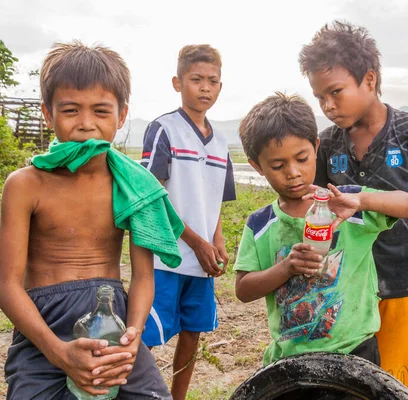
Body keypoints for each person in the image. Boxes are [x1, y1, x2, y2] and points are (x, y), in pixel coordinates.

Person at [0, 41, 184, 399]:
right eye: (70, 110)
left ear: (121, 115)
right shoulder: (25, 185)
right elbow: (7, 284)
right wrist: (57, 351)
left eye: (100, 111)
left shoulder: (133, 186)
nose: (86, 125)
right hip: (43, 328)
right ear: (48, 115)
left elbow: (143, 276)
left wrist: (132, 336)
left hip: (113, 322)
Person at [299, 21, 408, 400]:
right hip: (350, 288)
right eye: (320, 98)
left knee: (405, 380)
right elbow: (316, 204)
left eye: (335, 92)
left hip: (404, 282)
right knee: (355, 381)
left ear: (369, 79)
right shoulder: (329, 142)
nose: (328, 106)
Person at [234, 92, 408, 368]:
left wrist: (361, 200)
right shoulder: (261, 224)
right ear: (256, 166)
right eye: (278, 165)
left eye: (301, 158)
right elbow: (243, 290)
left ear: (316, 147)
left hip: (355, 352)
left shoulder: (347, 203)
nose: (293, 172)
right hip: (290, 359)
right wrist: (286, 267)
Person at [140, 44, 236, 400]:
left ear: (221, 87)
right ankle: (140, 392)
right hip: (166, 255)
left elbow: (214, 201)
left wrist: (217, 241)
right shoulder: (164, 129)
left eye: (212, 81)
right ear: (177, 82)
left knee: (193, 331)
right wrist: (195, 241)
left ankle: (177, 396)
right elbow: (153, 196)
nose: (205, 88)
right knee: (148, 334)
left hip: (202, 257)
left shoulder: (222, 141)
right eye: (196, 79)